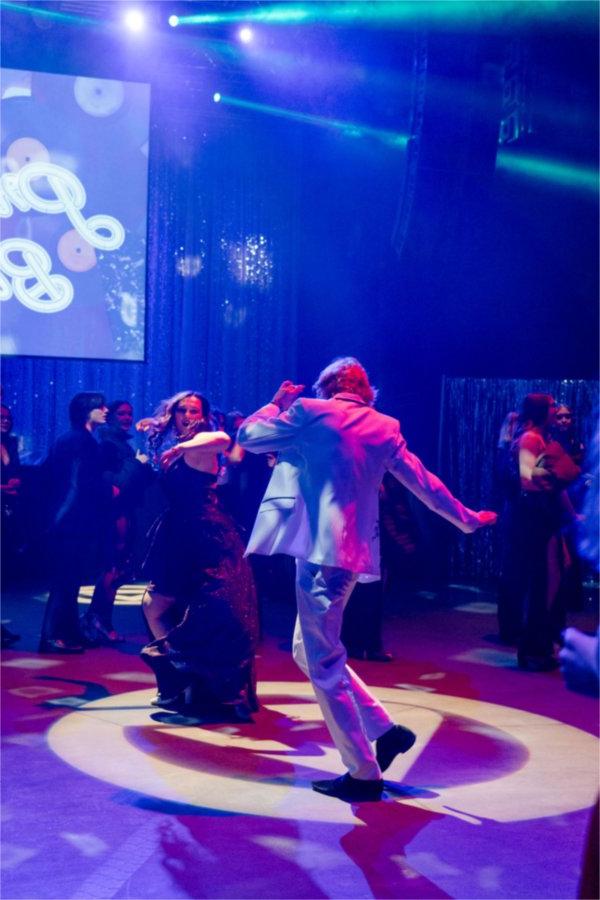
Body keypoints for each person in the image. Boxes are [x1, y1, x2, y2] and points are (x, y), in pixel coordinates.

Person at [237, 357, 496, 801]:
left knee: (321, 661)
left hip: (321, 553)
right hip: (353, 554)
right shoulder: (384, 426)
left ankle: (362, 771)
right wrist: (465, 519)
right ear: (363, 388)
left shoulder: (310, 413)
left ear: (327, 385)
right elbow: (424, 483)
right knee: (309, 650)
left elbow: (247, 438)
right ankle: (384, 729)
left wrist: (276, 404)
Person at [138, 391, 259, 720]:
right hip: (179, 536)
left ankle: (218, 687)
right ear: (172, 413)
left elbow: (222, 438)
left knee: (216, 612)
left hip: (209, 537)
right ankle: (175, 673)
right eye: (182, 410)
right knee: (154, 604)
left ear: (203, 415)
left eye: (195, 410)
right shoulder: (173, 446)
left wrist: (179, 446)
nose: (188, 415)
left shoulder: (204, 442)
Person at [508, 393, 580, 672]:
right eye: (551, 406)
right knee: (543, 583)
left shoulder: (543, 439)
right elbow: (527, 478)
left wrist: (573, 515)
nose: (555, 410)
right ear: (541, 410)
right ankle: (533, 647)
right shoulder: (530, 439)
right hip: (534, 520)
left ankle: (541, 643)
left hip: (547, 518)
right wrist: (558, 470)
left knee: (552, 580)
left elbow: (556, 487)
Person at [39, 392, 110, 653]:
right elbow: (74, 485)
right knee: (65, 580)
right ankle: (52, 635)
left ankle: (68, 632)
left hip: (72, 519)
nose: (105, 410)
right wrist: (60, 520)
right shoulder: (79, 441)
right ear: (85, 410)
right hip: (71, 521)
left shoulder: (80, 439)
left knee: (71, 579)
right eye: (98, 406)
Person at [80, 400, 153, 645]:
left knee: (117, 567)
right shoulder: (109, 445)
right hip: (114, 514)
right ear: (110, 416)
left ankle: (97, 619)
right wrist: (138, 464)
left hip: (123, 511)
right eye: (121, 413)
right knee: (112, 567)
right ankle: (97, 619)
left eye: (130, 413)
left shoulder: (119, 443)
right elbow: (115, 484)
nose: (126, 418)